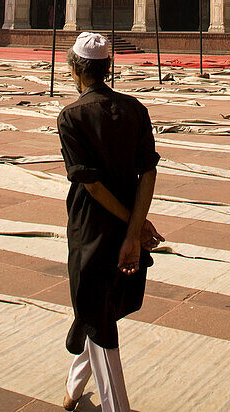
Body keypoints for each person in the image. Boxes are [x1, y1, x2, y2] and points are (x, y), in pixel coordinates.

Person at [58, 32, 164, 412]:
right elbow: (148, 171)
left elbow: (91, 185)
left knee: (99, 318)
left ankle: (115, 407)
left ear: (75, 70)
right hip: (130, 220)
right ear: (107, 68)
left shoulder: (72, 116)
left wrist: (131, 229)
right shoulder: (135, 108)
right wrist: (136, 227)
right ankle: (72, 389)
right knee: (96, 305)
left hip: (91, 227)